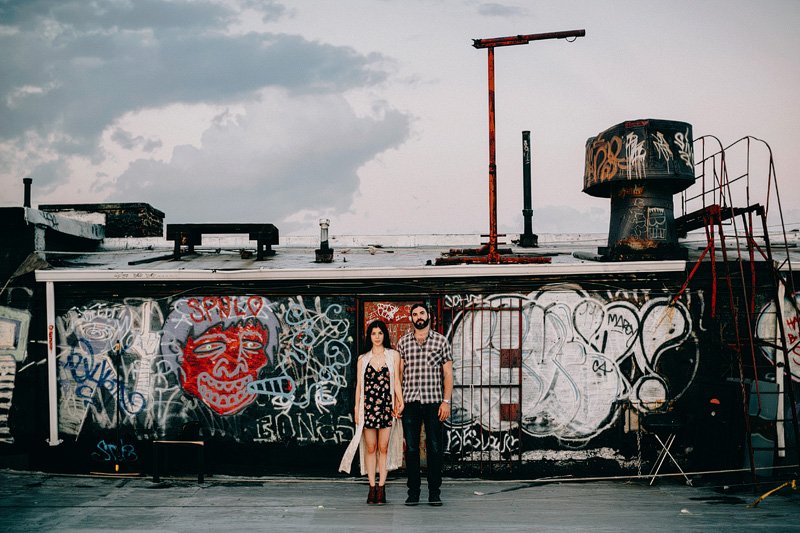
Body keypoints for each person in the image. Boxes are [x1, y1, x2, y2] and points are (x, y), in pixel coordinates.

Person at [339, 320, 404, 505]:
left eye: (380, 333)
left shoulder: (393, 356)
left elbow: (397, 382)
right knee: (370, 447)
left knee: (383, 448)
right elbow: (359, 385)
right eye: (374, 333)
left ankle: (382, 488)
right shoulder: (363, 359)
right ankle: (371, 486)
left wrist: (401, 401)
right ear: (369, 336)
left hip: (386, 408)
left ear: (385, 335)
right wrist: (356, 409)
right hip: (367, 408)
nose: (377, 337)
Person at [397, 303, 453, 507]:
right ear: (411, 318)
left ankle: (434, 493)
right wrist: (398, 401)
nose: (418, 317)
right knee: (411, 449)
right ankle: (413, 493)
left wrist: (446, 402)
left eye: (421, 313)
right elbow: (400, 374)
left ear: (428, 316)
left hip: (433, 402)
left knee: (435, 448)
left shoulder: (440, 341)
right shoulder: (403, 342)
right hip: (410, 402)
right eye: (414, 314)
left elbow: (448, 374)